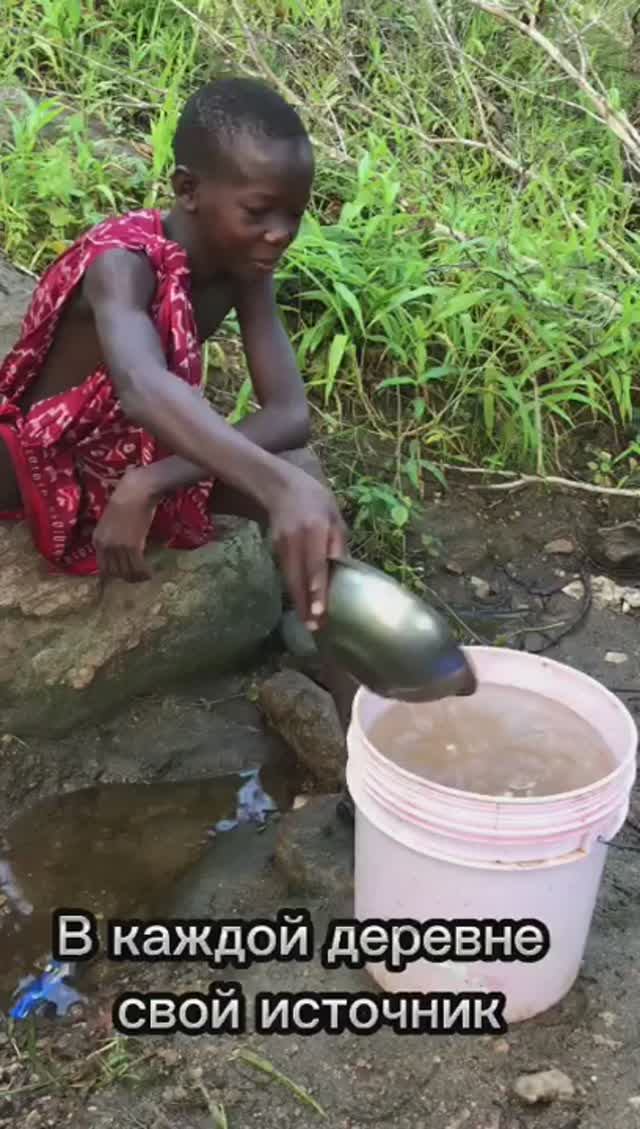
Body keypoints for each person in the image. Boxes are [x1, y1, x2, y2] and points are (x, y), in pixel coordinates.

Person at [0, 76, 358, 811]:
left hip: (136, 455)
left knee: (313, 511)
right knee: (287, 484)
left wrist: (157, 478)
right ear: (190, 189)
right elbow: (141, 385)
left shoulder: (243, 268)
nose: (281, 235)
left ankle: (361, 745)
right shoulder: (123, 263)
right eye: (261, 213)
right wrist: (269, 480)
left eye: (295, 215)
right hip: (40, 459)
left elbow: (289, 412)